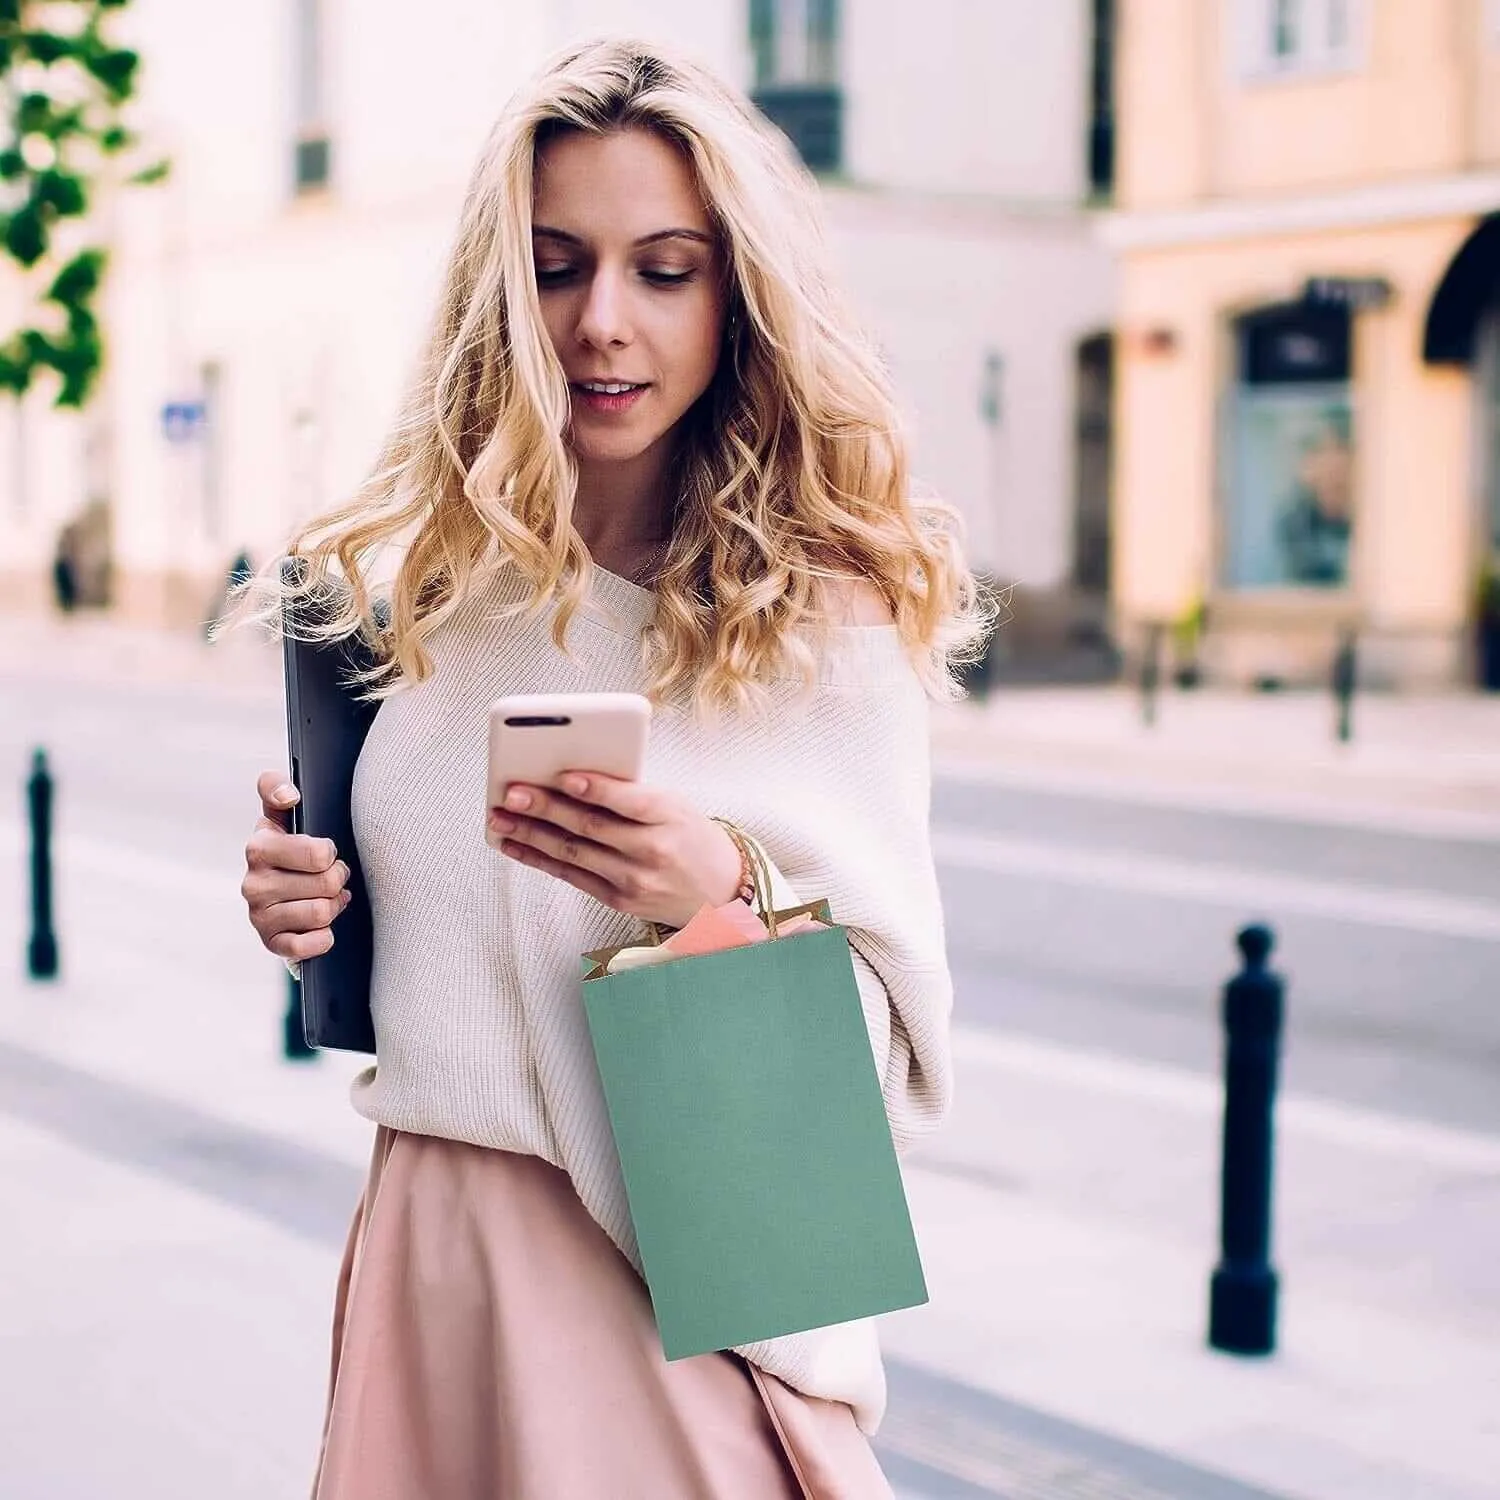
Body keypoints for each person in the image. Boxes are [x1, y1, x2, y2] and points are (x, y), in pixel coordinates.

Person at [239, 37, 983, 1499]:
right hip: (432, 1261)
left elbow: (894, 1079)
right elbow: (433, 956)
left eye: (665, 268)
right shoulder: (425, 596)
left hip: (685, 1306)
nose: (602, 323)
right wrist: (301, 905)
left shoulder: (823, 622)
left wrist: (719, 888)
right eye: (558, 264)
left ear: (736, 294)